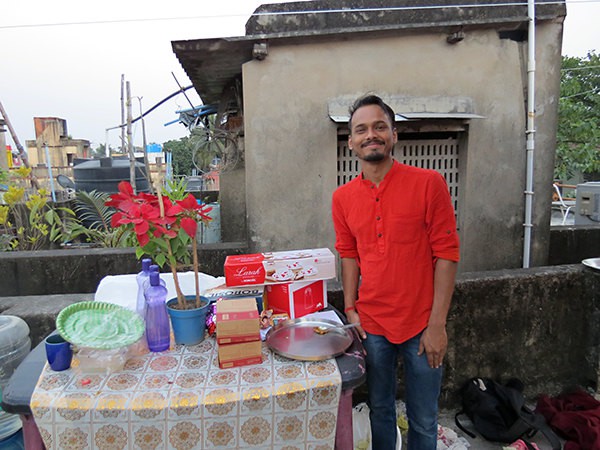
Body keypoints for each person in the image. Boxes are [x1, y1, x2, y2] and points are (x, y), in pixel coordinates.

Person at [331, 94, 460, 450]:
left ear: (394, 135)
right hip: (372, 324)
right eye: (361, 129)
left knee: (424, 419)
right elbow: (349, 254)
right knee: (380, 410)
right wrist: (351, 308)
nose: (370, 135)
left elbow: (447, 254)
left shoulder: (429, 183)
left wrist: (437, 325)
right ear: (351, 141)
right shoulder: (342, 198)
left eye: (379, 127)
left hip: (421, 324)